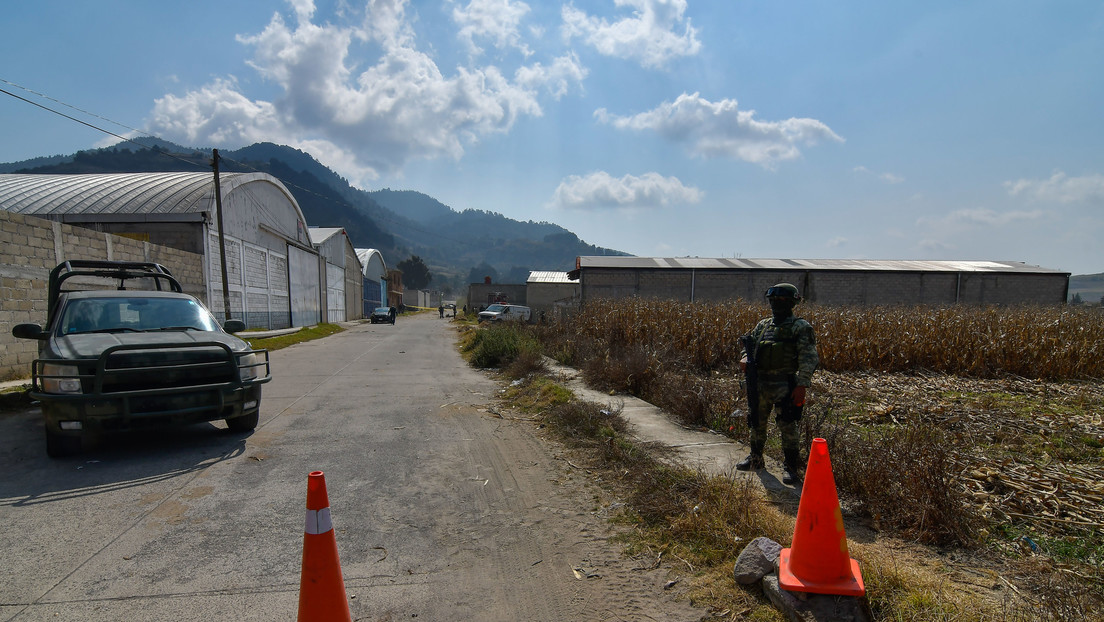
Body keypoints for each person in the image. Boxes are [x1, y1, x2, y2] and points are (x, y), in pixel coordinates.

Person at [736, 283, 819, 485]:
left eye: (781, 300)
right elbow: (750, 346)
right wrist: (745, 356)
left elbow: (808, 358)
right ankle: (756, 459)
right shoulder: (763, 325)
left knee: (788, 426)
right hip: (761, 383)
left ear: (792, 303)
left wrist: (802, 385)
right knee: (756, 422)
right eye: (773, 300)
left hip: (786, 383)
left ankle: (791, 468)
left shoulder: (800, 327)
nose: (776, 304)